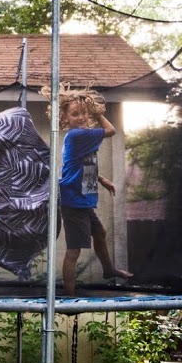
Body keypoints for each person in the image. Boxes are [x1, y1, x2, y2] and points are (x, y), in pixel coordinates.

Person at [50, 86, 134, 296]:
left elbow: (80, 164)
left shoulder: (80, 138)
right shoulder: (79, 135)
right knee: (74, 250)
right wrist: (97, 112)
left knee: (100, 232)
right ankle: (69, 295)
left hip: (81, 197)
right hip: (74, 200)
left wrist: (102, 179)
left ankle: (108, 269)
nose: (80, 117)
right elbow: (111, 130)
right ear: (66, 118)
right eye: (74, 114)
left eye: (84, 113)